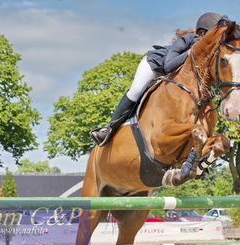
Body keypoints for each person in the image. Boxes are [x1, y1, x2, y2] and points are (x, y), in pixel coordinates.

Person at [90, 12, 224, 146]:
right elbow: (168, 66)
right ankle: (108, 128)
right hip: (155, 66)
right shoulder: (187, 40)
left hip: (172, 77)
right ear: (201, 32)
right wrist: (189, 53)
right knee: (135, 91)